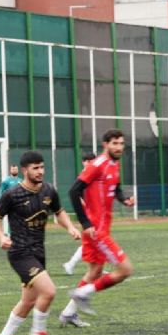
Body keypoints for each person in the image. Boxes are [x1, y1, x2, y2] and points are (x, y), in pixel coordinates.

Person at [0, 150, 82, 335]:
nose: (40, 171)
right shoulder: (13, 194)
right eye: (35, 168)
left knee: (29, 300)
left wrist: (70, 227)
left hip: (38, 252)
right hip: (20, 252)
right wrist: (1, 237)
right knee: (49, 291)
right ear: (25, 170)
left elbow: (59, 212)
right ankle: (38, 331)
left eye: (42, 167)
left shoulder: (49, 190)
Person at [61, 130, 135, 320]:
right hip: (96, 231)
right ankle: (82, 293)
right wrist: (85, 223)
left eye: (121, 143)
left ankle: (69, 313)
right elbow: (73, 191)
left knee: (95, 271)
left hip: (100, 229)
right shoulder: (97, 165)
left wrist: (124, 199)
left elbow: (115, 188)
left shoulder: (115, 164)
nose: (119, 147)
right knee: (125, 270)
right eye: (114, 143)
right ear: (105, 145)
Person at [61, 152, 95, 277]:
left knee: (94, 241)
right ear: (83, 162)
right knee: (92, 240)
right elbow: (75, 194)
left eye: (92, 161)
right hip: (88, 214)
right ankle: (71, 264)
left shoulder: (92, 175)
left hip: (93, 212)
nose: (90, 163)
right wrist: (84, 207)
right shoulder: (82, 176)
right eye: (87, 161)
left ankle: (94, 268)